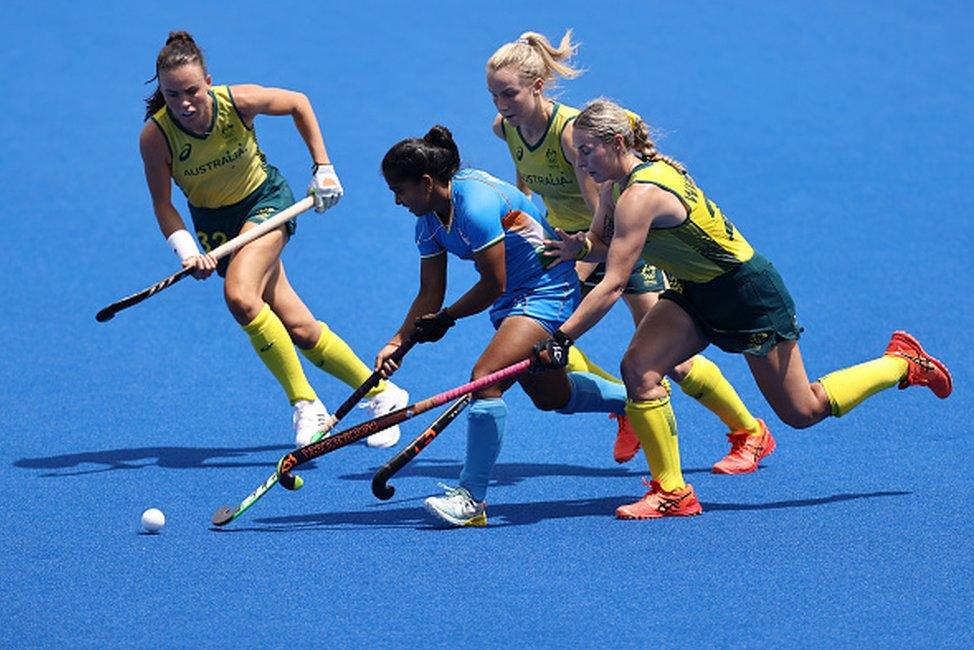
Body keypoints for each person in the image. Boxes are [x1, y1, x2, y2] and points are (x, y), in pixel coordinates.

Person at [538, 99, 953, 519]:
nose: (580, 161)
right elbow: (608, 243)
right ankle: (673, 492)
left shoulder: (641, 194)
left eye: (587, 150)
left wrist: (562, 338)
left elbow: (613, 282)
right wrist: (582, 246)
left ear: (617, 142)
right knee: (639, 368)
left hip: (746, 293)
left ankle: (901, 363)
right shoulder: (614, 186)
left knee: (802, 410)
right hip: (696, 291)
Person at [487, 31, 771, 473]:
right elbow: (525, 175)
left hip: (614, 240)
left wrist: (586, 253)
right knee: (547, 335)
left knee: (670, 362)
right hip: (567, 244)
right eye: (494, 95)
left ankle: (749, 431)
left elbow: (600, 206)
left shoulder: (569, 134)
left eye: (509, 93)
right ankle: (625, 407)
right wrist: (526, 223)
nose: (501, 104)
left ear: (538, 87)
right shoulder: (506, 128)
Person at [139, 31, 407, 448]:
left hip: (266, 204)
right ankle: (382, 393)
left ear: (208, 80)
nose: (184, 103)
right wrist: (188, 249)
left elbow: (298, 102)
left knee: (241, 297)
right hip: (215, 229)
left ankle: (305, 403)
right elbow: (163, 205)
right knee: (299, 327)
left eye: (192, 90)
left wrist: (323, 168)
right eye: (172, 95)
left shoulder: (237, 102)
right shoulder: (155, 138)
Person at [376, 125, 633, 527]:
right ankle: (632, 401)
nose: (396, 200)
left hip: (547, 288)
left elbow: (491, 283)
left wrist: (446, 319)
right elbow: (429, 295)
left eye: (400, 190)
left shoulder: (474, 205)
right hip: (511, 301)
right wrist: (398, 344)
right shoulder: (427, 221)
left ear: (426, 183)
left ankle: (471, 499)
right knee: (552, 396)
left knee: (485, 379)